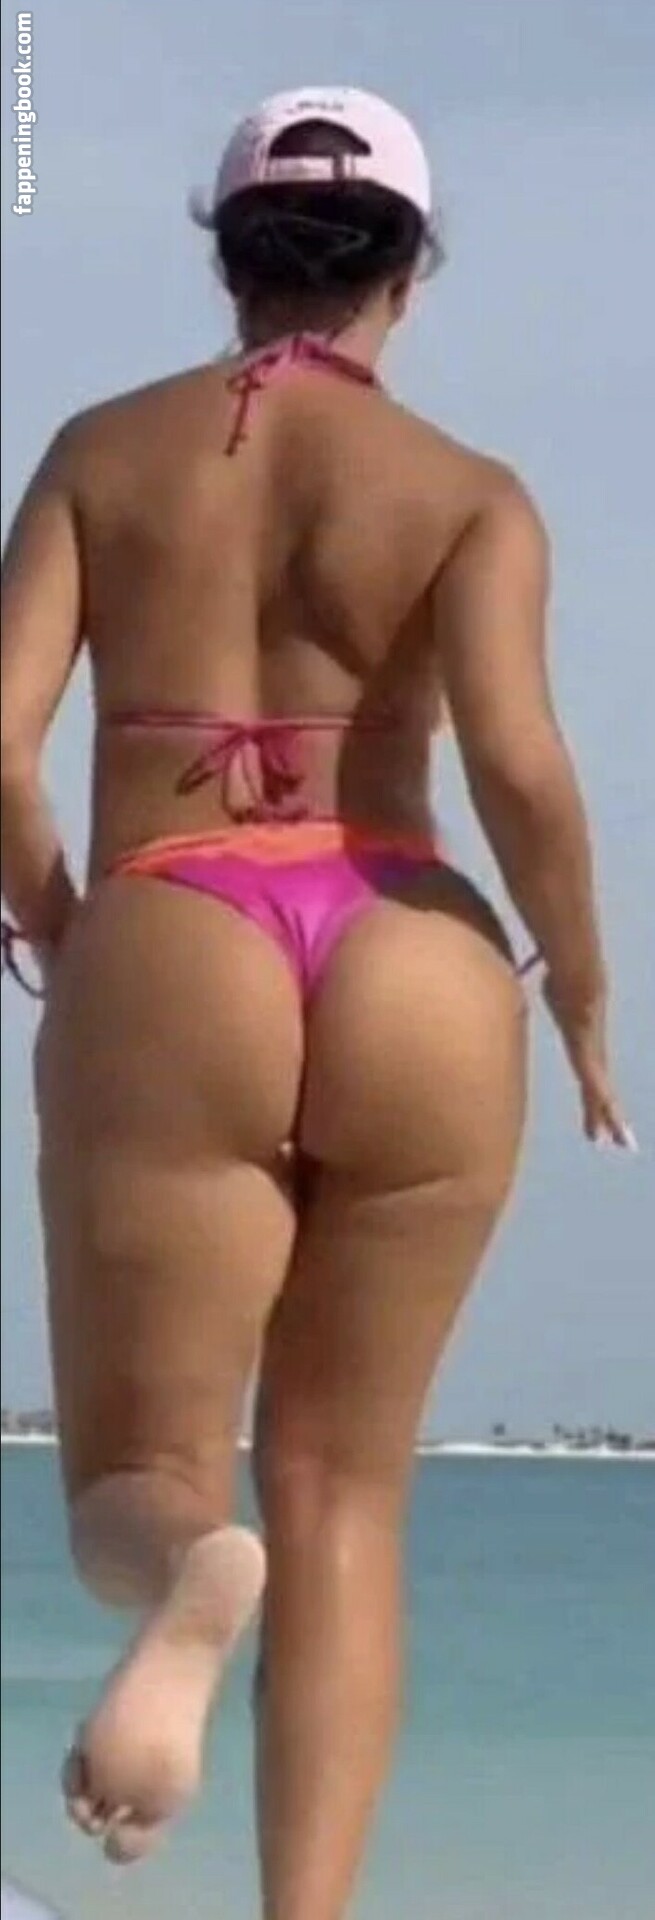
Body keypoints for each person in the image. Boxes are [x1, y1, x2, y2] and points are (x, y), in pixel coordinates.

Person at [1, 83, 632, 1919]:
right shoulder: (470, 494)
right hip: (418, 954)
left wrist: (68, 932)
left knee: (144, 1479)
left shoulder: (101, 453)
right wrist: (582, 1002)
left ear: (227, 258)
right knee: (350, 1494)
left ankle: (194, 1577)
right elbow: (521, 766)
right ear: (408, 276)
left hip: (177, 931)